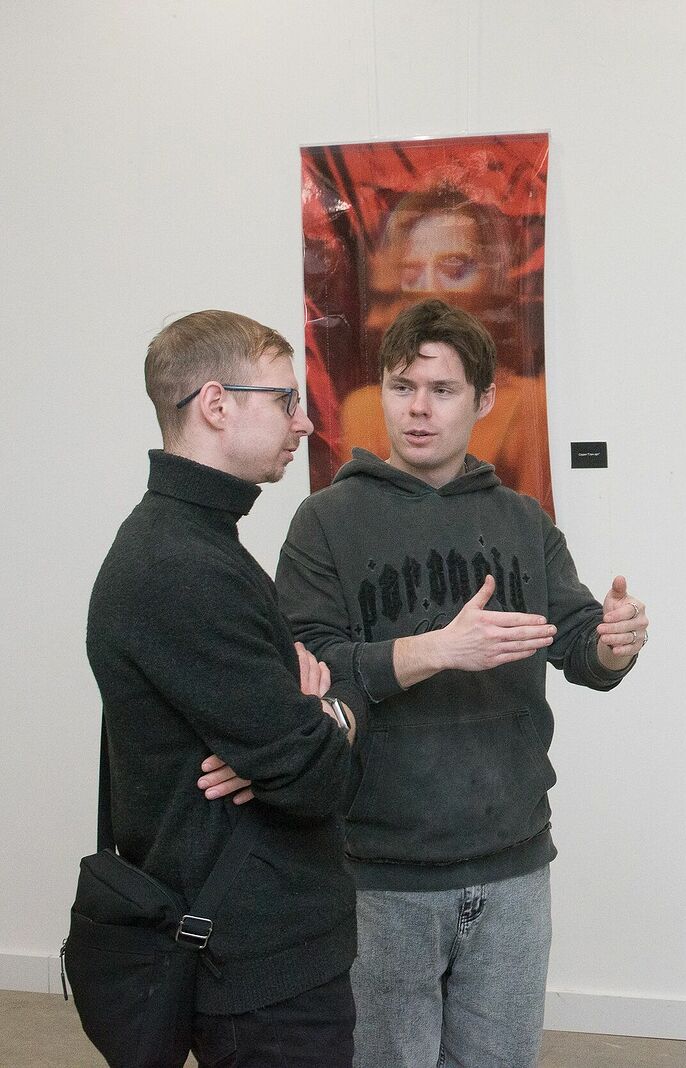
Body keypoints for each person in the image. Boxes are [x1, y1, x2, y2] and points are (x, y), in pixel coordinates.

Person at [276, 298, 648, 1068]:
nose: (418, 408)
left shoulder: (523, 521)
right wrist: (436, 650)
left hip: (514, 862)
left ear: (483, 401)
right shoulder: (325, 522)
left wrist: (615, 643)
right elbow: (308, 671)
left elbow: (580, 646)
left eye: (442, 390)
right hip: (380, 871)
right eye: (402, 386)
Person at [86, 310, 363, 1065]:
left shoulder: (195, 542)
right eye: (285, 399)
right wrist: (327, 717)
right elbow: (317, 777)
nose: (304, 422)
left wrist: (300, 727)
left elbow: (292, 755)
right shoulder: (180, 565)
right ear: (216, 404)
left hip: (260, 943)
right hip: (255, 963)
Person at [333, 184, 553, 510]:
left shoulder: (529, 404)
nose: (430, 288)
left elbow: (529, 525)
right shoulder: (363, 409)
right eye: (412, 272)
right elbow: (356, 518)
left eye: (454, 269)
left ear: (494, 276)